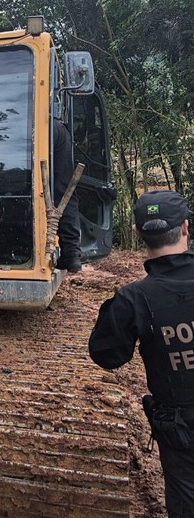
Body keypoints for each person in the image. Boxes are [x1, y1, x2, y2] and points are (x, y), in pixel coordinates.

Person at [88, 190, 194, 518]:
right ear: (186, 227)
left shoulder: (133, 300)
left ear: (136, 234)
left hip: (181, 432)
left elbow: (106, 355)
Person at [53, 118, 83, 272]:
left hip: (16, 124)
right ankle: (71, 252)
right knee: (64, 192)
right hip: (46, 126)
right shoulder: (57, 130)